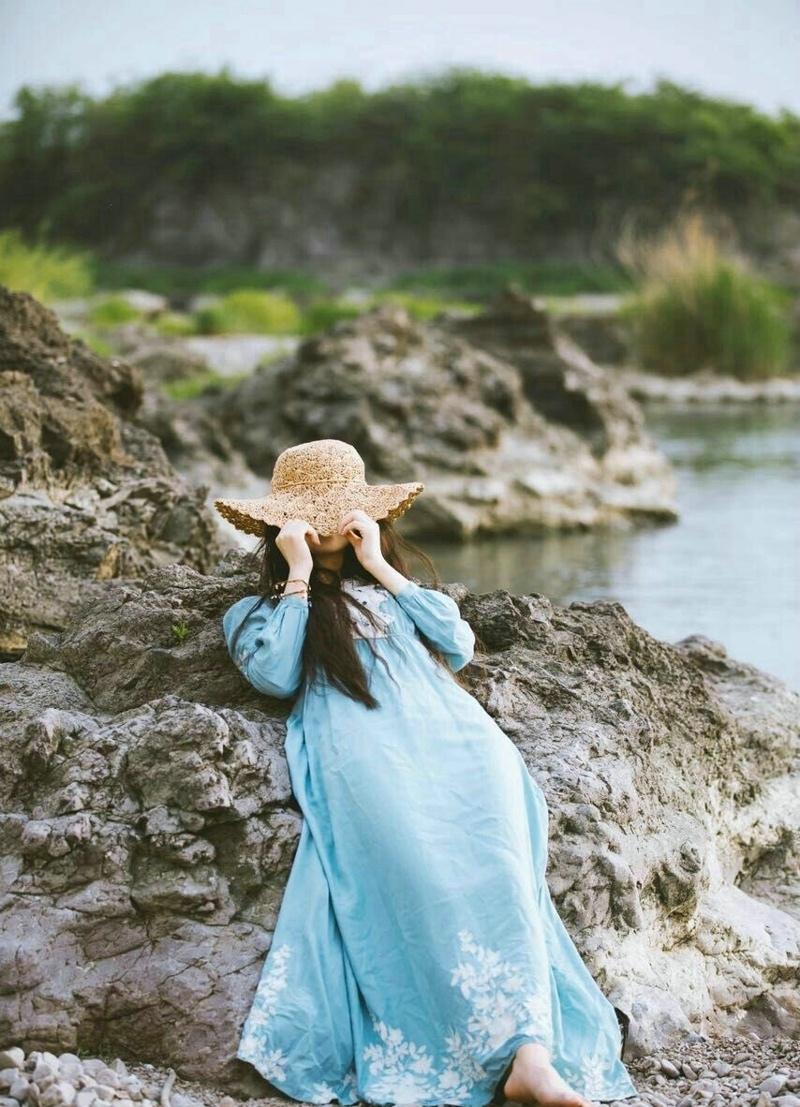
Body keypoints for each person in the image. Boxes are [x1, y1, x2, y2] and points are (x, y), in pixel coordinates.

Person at [215, 439, 638, 1107]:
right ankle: (493, 1051)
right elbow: (274, 673)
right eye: (311, 515)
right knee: (419, 877)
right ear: (281, 522)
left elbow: (458, 642)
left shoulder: (386, 589)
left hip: (463, 746)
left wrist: (381, 565)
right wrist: (297, 571)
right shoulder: (259, 611)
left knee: (501, 871)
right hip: (361, 754)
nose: (328, 526)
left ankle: (530, 1054)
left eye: (342, 511)